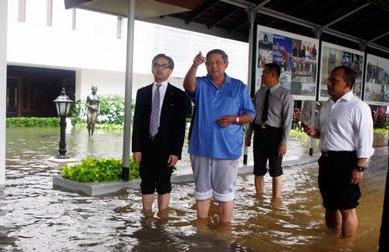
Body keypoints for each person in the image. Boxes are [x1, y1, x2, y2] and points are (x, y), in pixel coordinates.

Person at [183, 49, 255, 224]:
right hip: (201, 146)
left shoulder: (239, 87)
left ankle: (224, 231)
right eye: (209, 63)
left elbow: (250, 115)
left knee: (225, 192)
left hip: (227, 148)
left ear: (226, 64)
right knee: (202, 190)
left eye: (218, 62)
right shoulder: (200, 83)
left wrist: (235, 119)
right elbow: (188, 86)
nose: (213, 66)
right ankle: (202, 229)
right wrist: (194, 65)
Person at [302, 66, 374, 238]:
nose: (329, 83)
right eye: (329, 79)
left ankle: (346, 247)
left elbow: (366, 140)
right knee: (330, 204)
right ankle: (332, 241)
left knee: (347, 207)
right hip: (326, 160)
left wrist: (360, 168)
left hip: (347, 161)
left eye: (335, 80)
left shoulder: (358, 107)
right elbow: (323, 133)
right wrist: (314, 132)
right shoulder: (327, 105)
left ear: (347, 84)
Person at [132, 53, 190, 219]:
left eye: (163, 66)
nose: (158, 69)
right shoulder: (142, 93)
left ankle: (163, 220)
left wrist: (176, 152)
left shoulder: (178, 95)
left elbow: (180, 127)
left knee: (164, 182)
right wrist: (136, 148)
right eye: (156, 65)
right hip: (146, 145)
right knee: (146, 182)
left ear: (170, 70)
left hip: (166, 147)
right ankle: (147, 218)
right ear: (152, 68)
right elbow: (137, 122)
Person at [245, 63, 293, 200]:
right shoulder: (259, 93)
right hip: (259, 134)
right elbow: (253, 116)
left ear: (273, 75)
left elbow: (287, 121)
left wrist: (284, 142)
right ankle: (259, 199)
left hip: (275, 135)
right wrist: (249, 135)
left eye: (264, 73)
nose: (262, 76)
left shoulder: (285, 95)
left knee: (276, 170)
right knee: (258, 169)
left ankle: (276, 202)